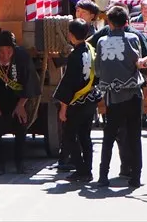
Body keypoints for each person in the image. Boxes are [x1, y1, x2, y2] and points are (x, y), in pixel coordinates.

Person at [93, 4, 146, 189]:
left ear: (109, 23)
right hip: (132, 94)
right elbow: (137, 63)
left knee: (109, 136)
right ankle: (136, 177)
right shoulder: (133, 39)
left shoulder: (101, 42)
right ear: (126, 22)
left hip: (112, 96)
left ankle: (102, 175)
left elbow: (98, 69)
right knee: (134, 136)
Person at [0, 30, 39, 174]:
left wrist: (21, 105)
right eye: (1, 52)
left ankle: (20, 164)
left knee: (21, 126)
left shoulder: (22, 56)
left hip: (18, 98)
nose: (5, 55)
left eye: (9, 51)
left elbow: (30, 82)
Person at [53, 18, 98, 183]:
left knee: (70, 136)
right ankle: (88, 170)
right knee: (85, 136)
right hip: (90, 100)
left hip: (76, 102)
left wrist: (63, 108)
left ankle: (81, 169)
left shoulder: (74, 56)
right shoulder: (91, 51)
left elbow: (68, 84)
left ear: (70, 35)